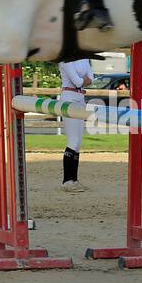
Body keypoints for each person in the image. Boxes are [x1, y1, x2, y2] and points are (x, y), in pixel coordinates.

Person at [58, 57, 93, 191]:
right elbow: (78, 82)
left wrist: (83, 80)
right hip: (69, 97)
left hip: (80, 98)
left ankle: (74, 180)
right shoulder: (65, 58)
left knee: (77, 142)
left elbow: (91, 78)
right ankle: (67, 181)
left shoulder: (84, 57)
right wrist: (84, 80)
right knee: (73, 140)